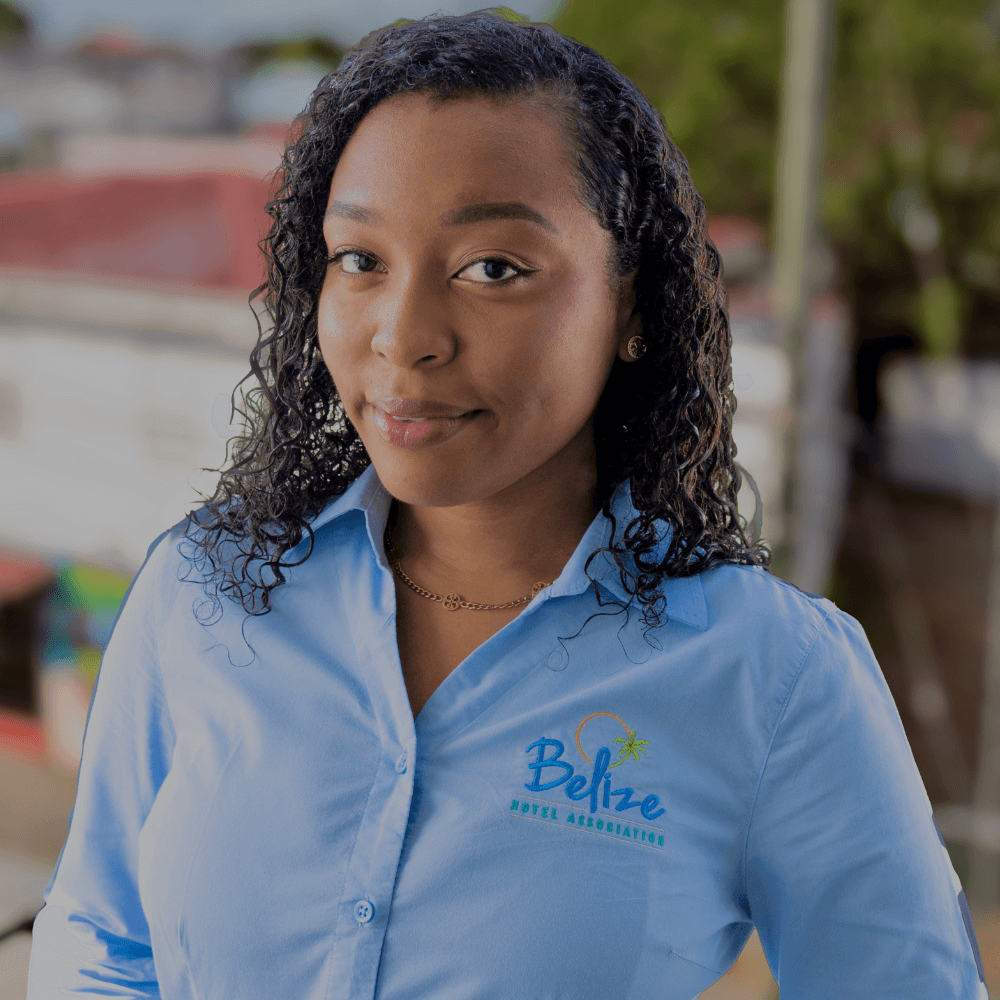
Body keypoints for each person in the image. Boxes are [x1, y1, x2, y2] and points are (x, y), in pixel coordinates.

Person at [27, 9, 987, 999]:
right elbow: (102, 932)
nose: (404, 338)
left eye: (494, 268)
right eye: (360, 261)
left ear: (631, 310)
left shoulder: (774, 679)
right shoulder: (201, 591)